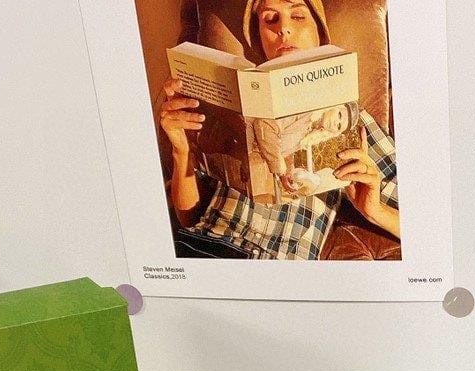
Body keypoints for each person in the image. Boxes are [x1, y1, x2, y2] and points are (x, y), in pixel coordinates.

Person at [158, 0, 399, 259]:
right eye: (270, 19)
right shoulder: (230, 102)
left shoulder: (350, 117)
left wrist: (375, 210)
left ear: (320, 33)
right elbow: (188, 217)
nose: (283, 28)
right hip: (202, 247)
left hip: (275, 266)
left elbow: (425, 229)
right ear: (259, 39)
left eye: (298, 16)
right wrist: (181, 150)